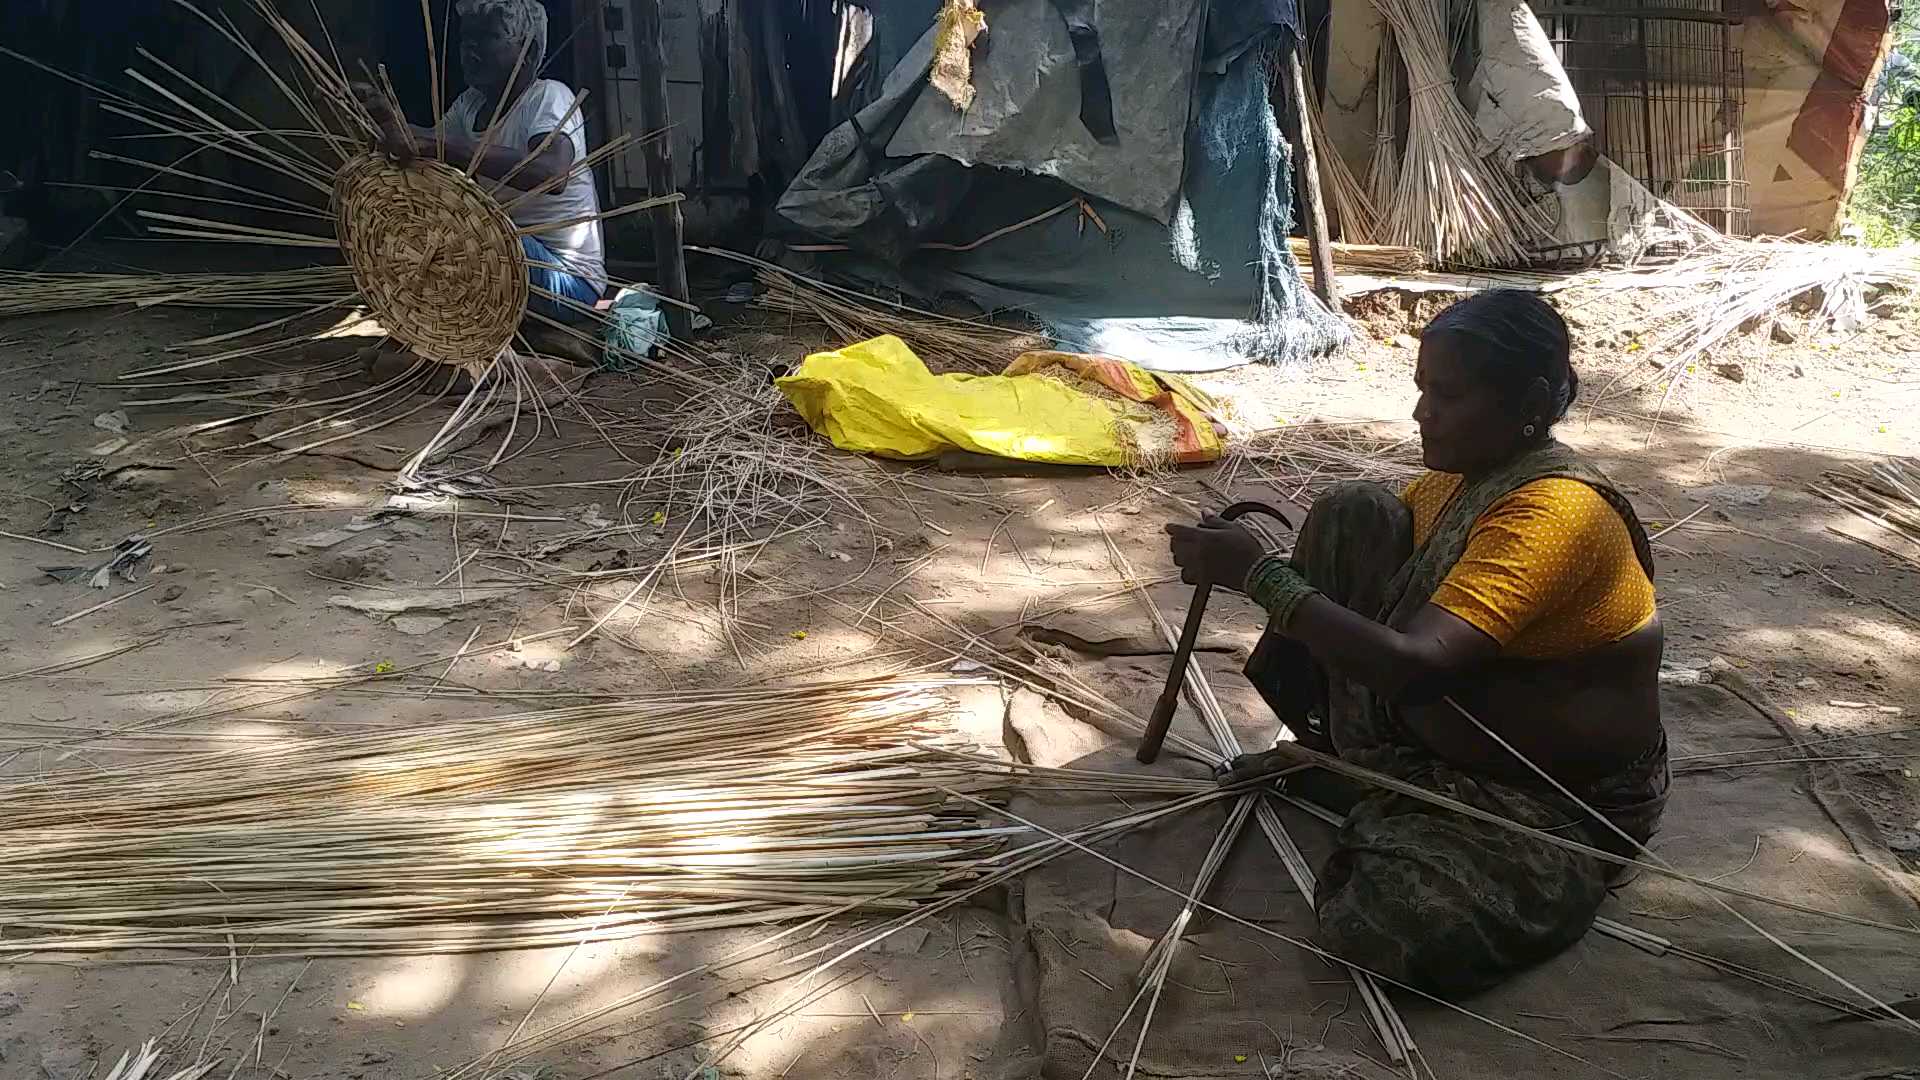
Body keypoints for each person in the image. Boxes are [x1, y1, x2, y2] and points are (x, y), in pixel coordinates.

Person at [1166, 289, 1668, 996]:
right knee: (1352, 514)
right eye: (1422, 388)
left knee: (1390, 926)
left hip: (1553, 801)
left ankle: (1415, 811)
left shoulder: (1559, 514)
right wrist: (1274, 573)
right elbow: (1374, 588)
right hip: (1441, 745)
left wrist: (1258, 576)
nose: (1421, 413)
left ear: (1526, 402)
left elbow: (1419, 668)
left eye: (1448, 395)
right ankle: (1362, 768)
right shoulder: (1460, 485)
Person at [354, 0, 605, 332]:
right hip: (504, 262)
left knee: (462, 241)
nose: (469, 48)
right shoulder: (470, 105)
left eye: (486, 37)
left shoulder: (549, 97)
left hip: (567, 279)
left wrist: (436, 146)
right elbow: (421, 148)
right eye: (465, 38)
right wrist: (384, 120)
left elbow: (551, 173)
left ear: (527, 53)